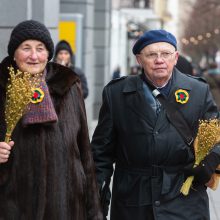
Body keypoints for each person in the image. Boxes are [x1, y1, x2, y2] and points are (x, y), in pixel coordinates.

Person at [91, 29, 220, 220]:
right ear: (139, 59)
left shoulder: (198, 91)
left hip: (184, 200)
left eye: (166, 54)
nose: (160, 60)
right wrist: (96, 198)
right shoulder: (116, 93)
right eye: (152, 54)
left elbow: (215, 137)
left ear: (175, 57)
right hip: (133, 200)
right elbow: (101, 152)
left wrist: (208, 162)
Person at [0, 20, 102, 220]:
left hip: (67, 208)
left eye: (40, 48)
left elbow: (85, 154)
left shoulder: (69, 86)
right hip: (14, 207)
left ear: (48, 54)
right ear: (14, 53)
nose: (34, 56)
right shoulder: (2, 88)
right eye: (26, 48)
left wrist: (94, 212)